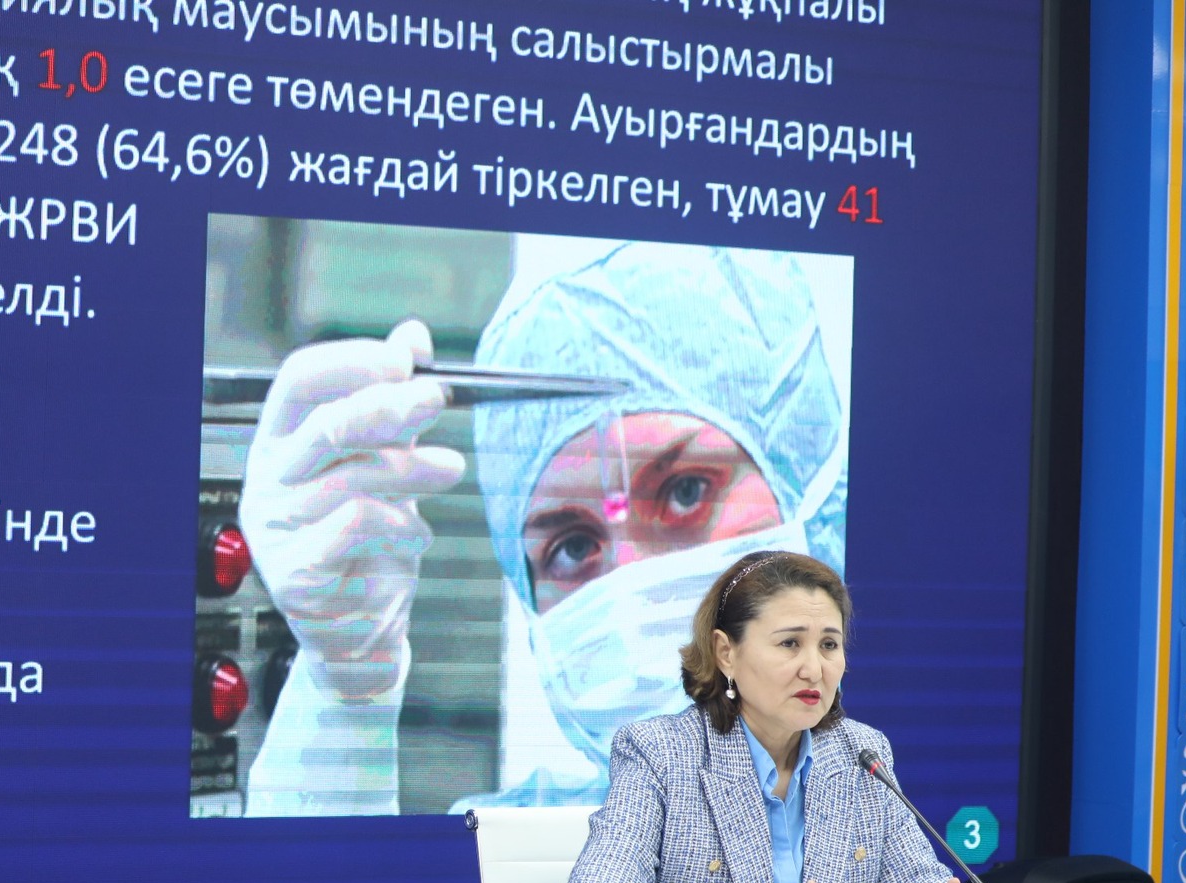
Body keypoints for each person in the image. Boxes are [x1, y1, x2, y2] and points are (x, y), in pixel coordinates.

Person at [239, 240, 845, 815]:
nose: (631, 605)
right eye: (573, 546)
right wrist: (345, 701)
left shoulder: (896, 814)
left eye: (687, 492)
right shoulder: (520, 862)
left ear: (810, 494)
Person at [555, 550, 989, 883]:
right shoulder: (662, 755)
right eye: (789, 644)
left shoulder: (861, 754)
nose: (814, 669)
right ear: (726, 653)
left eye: (829, 645)